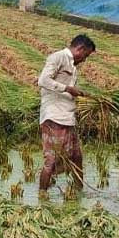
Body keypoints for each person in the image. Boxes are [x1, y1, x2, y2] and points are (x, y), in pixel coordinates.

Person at [37, 34, 96, 191]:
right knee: (51, 160)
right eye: (86, 55)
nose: (85, 59)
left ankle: (79, 193)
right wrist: (67, 89)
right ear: (80, 49)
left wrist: (82, 94)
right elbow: (43, 80)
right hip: (54, 117)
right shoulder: (58, 57)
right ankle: (42, 196)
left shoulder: (73, 65)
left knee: (77, 158)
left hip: (67, 117)